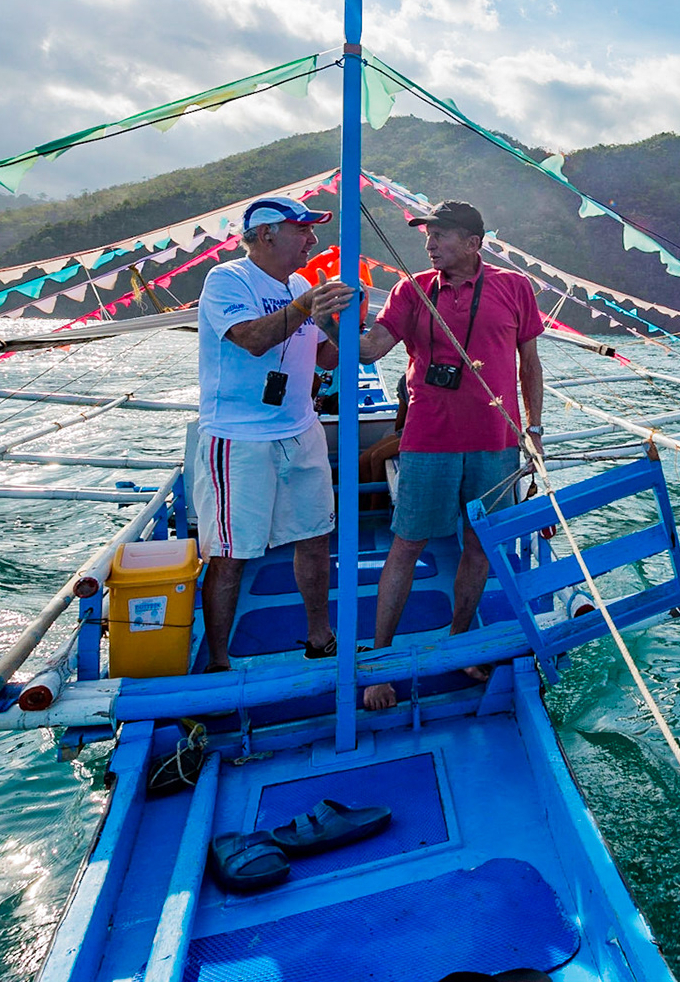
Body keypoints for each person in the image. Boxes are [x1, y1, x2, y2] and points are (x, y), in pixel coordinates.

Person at [357, 200, 544, 709]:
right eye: (427, 233)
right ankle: (379, 663)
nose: (429, 242)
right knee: (407, 544)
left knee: (480, 545)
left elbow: (529, 362)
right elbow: (371, 350)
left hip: (496, 440)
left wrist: (535, 428)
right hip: (429, 438)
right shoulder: (411, 289)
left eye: (440, 234)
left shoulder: (514, 287)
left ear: (473, 243)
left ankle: (461, 639)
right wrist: (337, 325)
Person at [193, 194, 354, 672]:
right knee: (230, 550)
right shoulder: (227, 279)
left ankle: (320, 637)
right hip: (239, 439)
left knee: (315, 533)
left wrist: (344, 326)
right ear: (265, 234)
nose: (313, 239)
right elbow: (252, 339)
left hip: (300, 429)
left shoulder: (303, 284)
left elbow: (327, 358)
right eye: (302, 229)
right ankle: (219, 660)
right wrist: (307, 305)